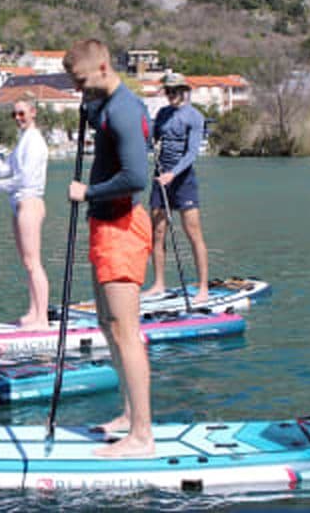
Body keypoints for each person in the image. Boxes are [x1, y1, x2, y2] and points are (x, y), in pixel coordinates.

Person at [64, 39, 154, 458]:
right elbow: (93, 110)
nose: (78, 89)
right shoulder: (102, 104)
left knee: (125, 332)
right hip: (103, 225)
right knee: (106, 324)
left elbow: (137, 177)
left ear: (102, 68)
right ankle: (127, 414)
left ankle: (142, 436)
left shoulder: (125, 110)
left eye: (81, 82)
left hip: (122, 226)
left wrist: (88, 191)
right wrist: (87, 104)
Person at [0, 99, 50, 331]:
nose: (18, 117)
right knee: (27, 263)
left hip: (30, 203)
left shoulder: (35, 142)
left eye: (21, 113)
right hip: (18, 205)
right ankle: (33, 312)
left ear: (33, 112)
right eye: (14, 114)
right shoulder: (22, 141)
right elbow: (3, 170)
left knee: (34, 263)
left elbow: (25, 180)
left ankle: (42, 319)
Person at [142, 72, 210, 303]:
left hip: (183, 180)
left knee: (193, 233)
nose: (170, 95)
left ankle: (203, 288)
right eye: (167, 91)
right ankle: (159, 284)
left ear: (184, 91)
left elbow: (191, 153)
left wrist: (173, 174)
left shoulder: (195, 117)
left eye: (174, 91)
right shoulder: (162, 114)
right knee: (157, 233)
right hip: (161, 178)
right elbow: (149, 140)